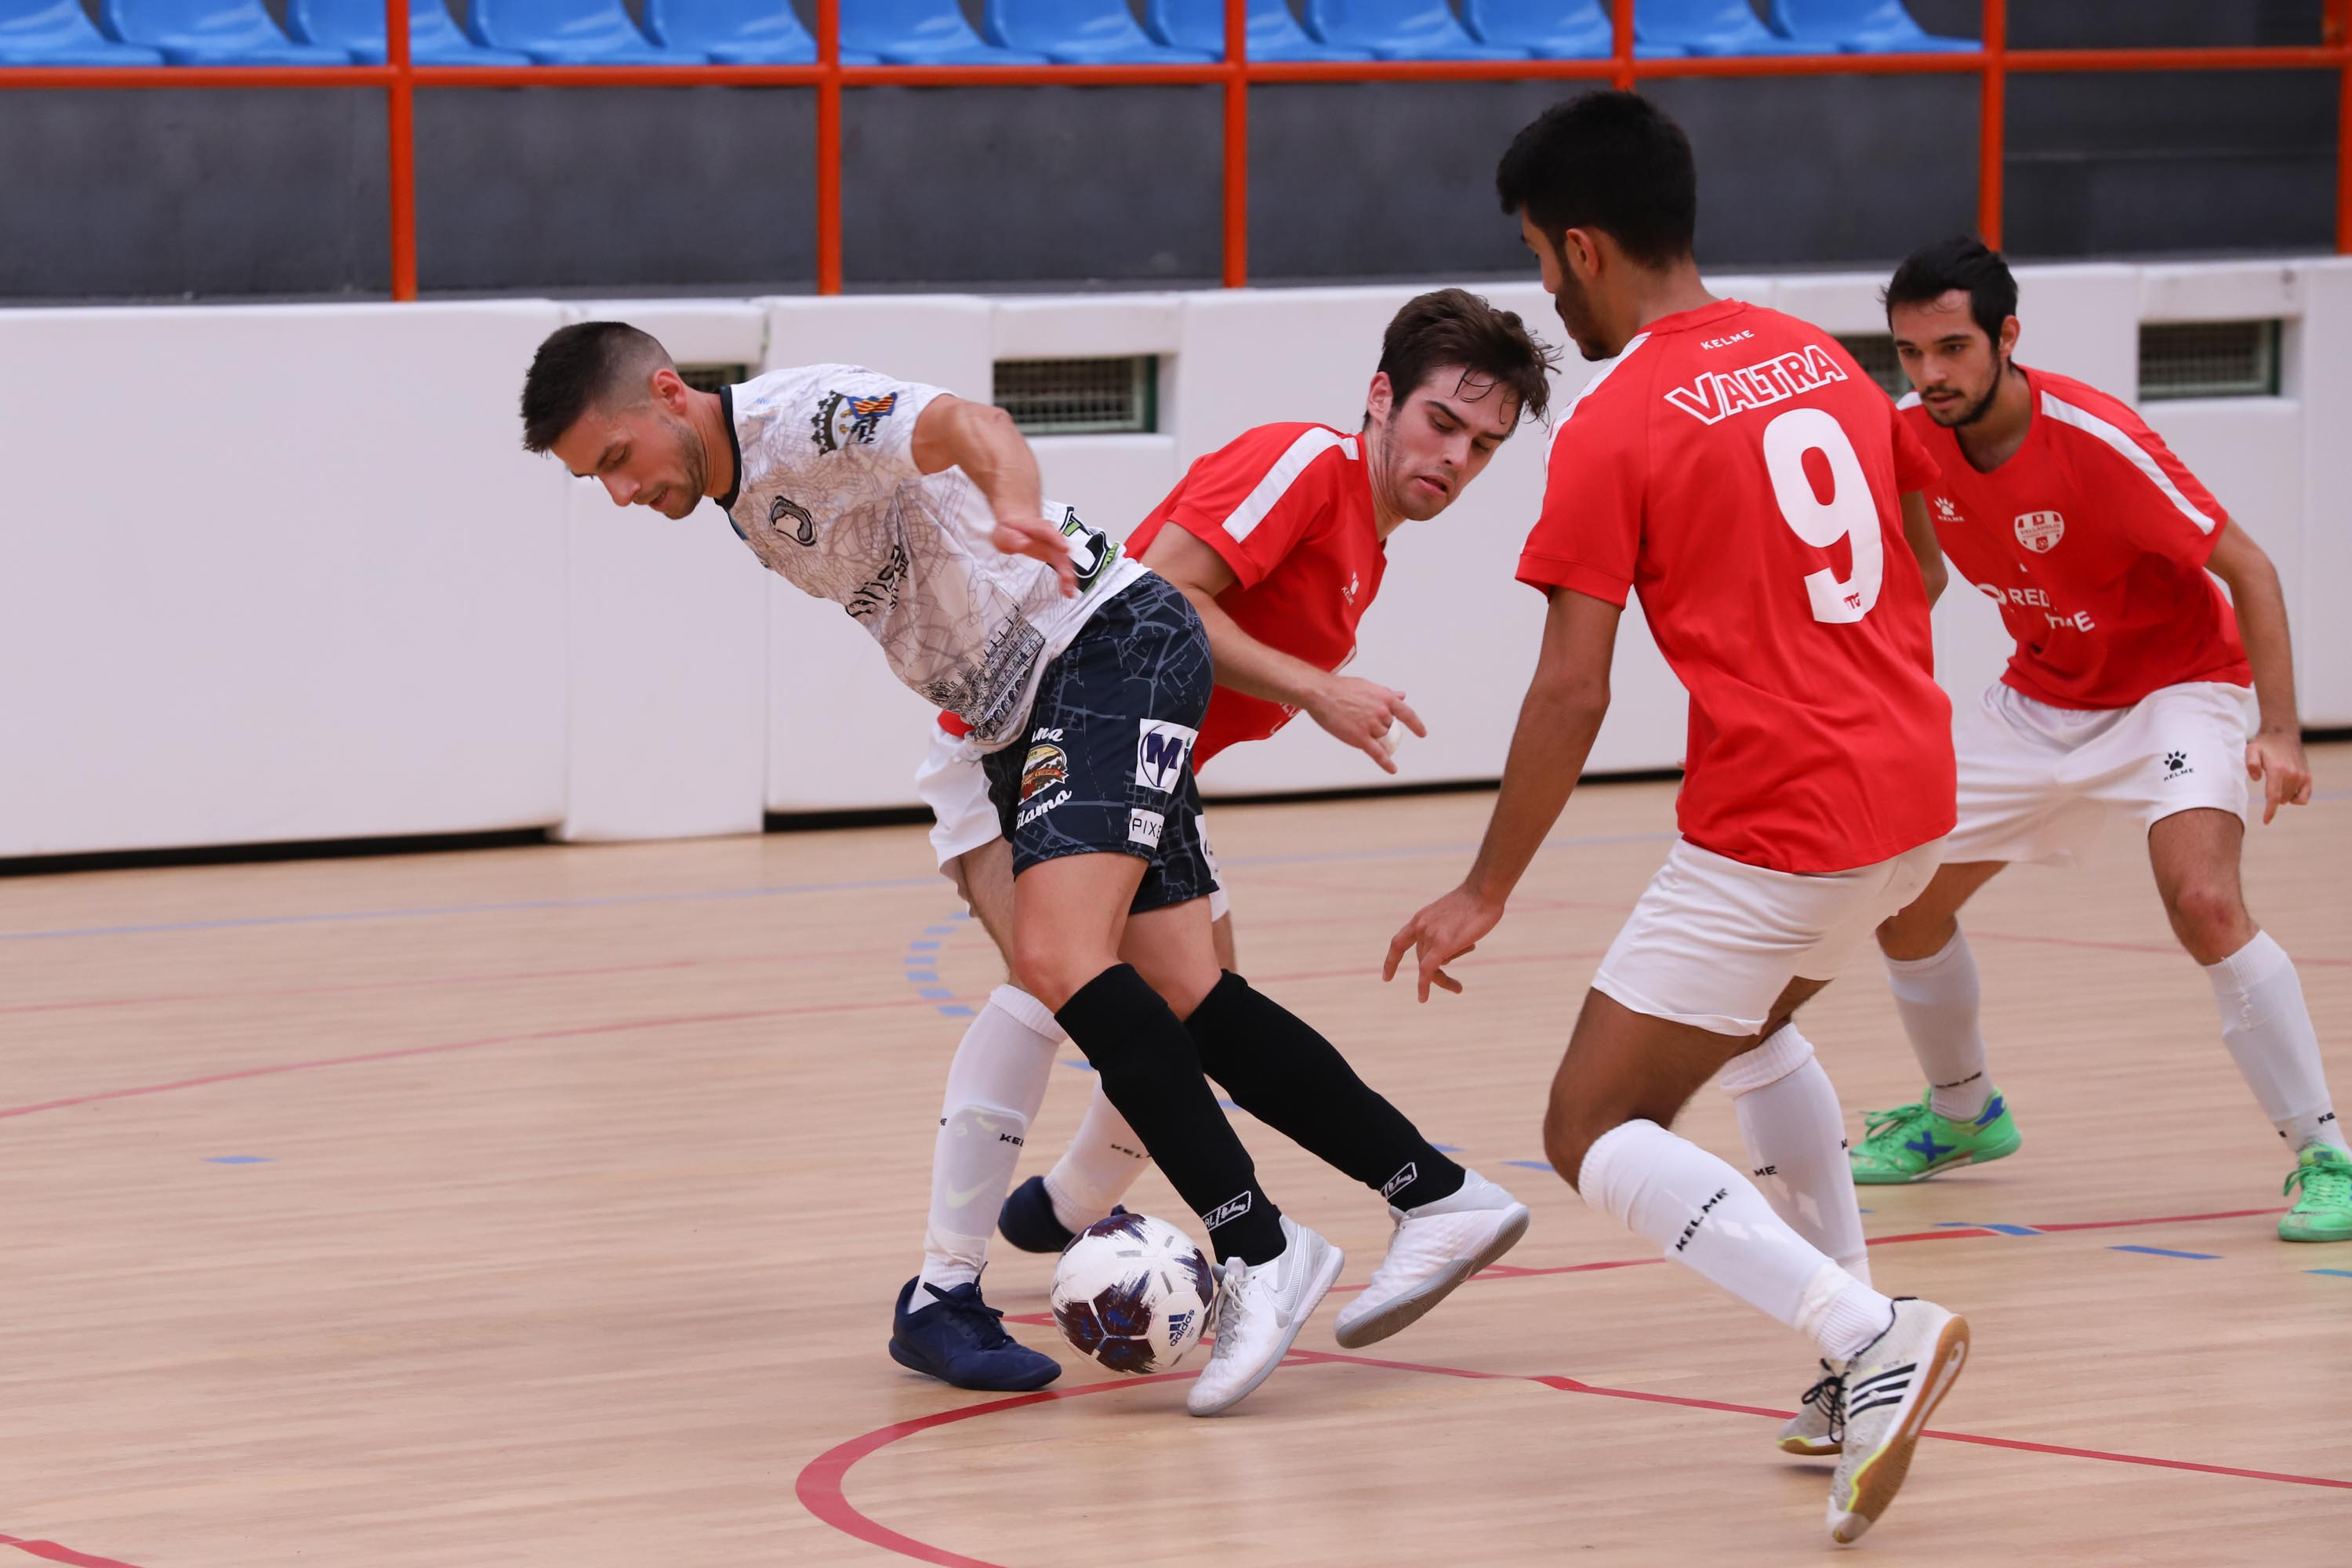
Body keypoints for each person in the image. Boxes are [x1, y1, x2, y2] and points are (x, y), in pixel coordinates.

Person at [518, 321, 1486, 1417]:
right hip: (1030, 706)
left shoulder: (802, 418)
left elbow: (972, 426)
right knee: (1183, 992)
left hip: (1100, 652)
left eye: (613, 461)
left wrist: (1017, 501)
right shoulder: (737, 491)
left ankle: (1256, 1247)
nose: (617, 493)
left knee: (1057, 960)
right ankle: (1435, 1191)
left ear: (664, 393)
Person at [1385, 93, 1969, 1545]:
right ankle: (1851, 1369)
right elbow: (1926, 573)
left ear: (1582, 245)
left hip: (1785, 818)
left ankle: (1866, 1327)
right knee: (1758, 1023)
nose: (1544, 290)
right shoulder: (1824, 359)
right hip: (1915, 797)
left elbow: (1570, 693)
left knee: (1592, 1123)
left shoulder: (1620, 418)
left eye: (1537, 257)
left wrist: (1483, 888)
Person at [906, 293, 1550, 1355]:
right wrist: (1319, 688)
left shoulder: (1368, 543)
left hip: (1143, 765)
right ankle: (949, 1284)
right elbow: (1157, 596)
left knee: (1193, 1003)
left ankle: (1078, 1210)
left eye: (1484, 447)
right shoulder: (1307, 463)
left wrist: (1304, 691)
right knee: (1056, 980)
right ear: (1381, 398)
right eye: (1444, 423)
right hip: (1029, 733)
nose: (1457, 459)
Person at [1845, 237, 2345, 1241]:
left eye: (1951, 348)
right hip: (2039, 699)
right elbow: (1925, 577)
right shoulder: (1907, 434)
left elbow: (2248, 568)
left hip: (2177, 690)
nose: (1931, 374)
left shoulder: (2096, 440)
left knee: (2204, 901)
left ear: (2007, 336)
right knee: (1900, 908)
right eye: (1911, 352)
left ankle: (2325, 1150)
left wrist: (2283, 733)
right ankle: (1963, 1113)